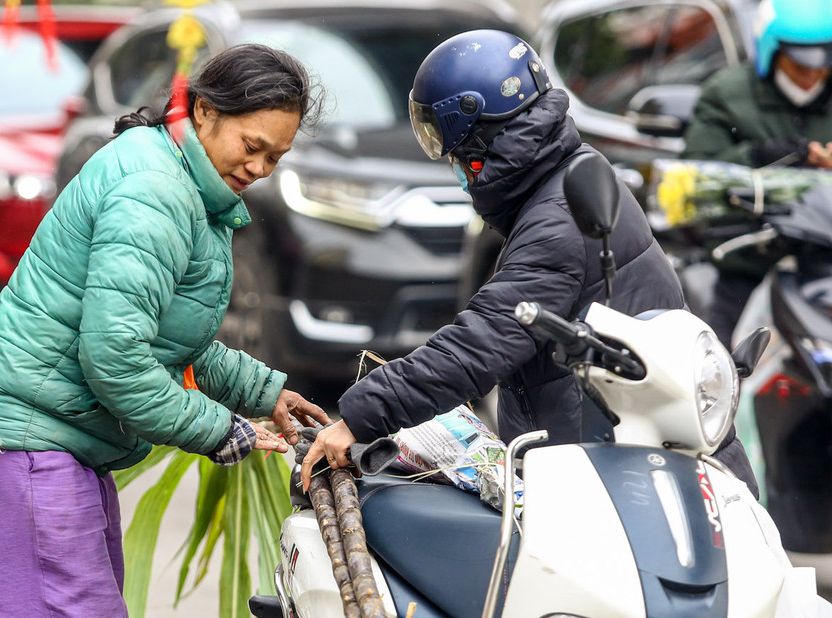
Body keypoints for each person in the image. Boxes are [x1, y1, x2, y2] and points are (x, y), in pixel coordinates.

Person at [0, 44, 330, 618]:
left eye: (276, 154)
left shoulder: (180, 183)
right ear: (203, 113)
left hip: (64, 443)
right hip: (29, 440)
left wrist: (263, 391)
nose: (258, 166)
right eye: (250, 145)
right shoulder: (155, 193)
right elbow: (117, 359)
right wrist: (223, 433)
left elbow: (166, 341)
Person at [302, 29, 757, 494]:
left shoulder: (559, 218)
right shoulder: (570, 173)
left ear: (472, 126)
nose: (446, 154)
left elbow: (481, 342)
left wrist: (360, 417)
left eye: (440, 132)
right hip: (620, 457)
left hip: (621, 480)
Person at [682, 0, 832, 347]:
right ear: (770, 52)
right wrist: (764, 156)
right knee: (713, 362)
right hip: (748, 263)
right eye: (800, 66)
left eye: (823, 67)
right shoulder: (726, 94)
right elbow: (698, 174)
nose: (812, 77)